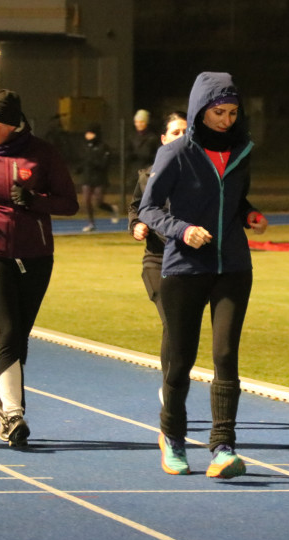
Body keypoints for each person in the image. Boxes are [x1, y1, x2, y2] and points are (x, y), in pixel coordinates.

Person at [139, 72, 268, 479]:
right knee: (180, 362)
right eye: (218, 112)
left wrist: (249, 214)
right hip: (184, 268)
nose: (227, 120)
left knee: (226, 355)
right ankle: (173, 438)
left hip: (232, 265)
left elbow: (233, 198)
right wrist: (182, 230)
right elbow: (149, 208)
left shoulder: (242, 150)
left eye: (232, 112)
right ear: (200, 111)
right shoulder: (175, 153)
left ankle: (223, 447)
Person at [0, 89, 79, 446]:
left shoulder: (43, 153)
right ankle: (13, 413)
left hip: (36, 256)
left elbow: (69, 203)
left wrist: (37, 201)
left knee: (20, 336)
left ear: (11, 123)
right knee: (7, 331)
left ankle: (5, 401)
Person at [128, 111, 187, 376]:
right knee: (173, 323)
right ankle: (171, 388)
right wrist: (136, 225)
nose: (181, 138)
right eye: (175, 132)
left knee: (184, 327)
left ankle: (176, 385)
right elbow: (135, 207)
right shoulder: (147, 177)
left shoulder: (205, 178)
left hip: (190, 266)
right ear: (164, 139)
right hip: (157, 261)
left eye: (187, 133)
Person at [77, 124, 117, 232]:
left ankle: (112, 209)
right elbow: (82, 160)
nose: (88, 135)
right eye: (87, 133)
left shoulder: (103, 147)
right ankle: (91, 223)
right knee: (86, 200)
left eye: (91, 133)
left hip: (99, 177)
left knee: (98, 202)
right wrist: (79, 168)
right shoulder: (84, 146)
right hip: (87, 177)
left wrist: (94, 162)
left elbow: (105, 164)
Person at [128, 109, 159, 184]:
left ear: (146, 122)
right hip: (135, 171)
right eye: (137, 122)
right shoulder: (131, 137)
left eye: (141, 122)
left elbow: (156, 155)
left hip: (148, 171)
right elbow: (127, 152)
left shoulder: (153, 137)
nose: (139, 124)